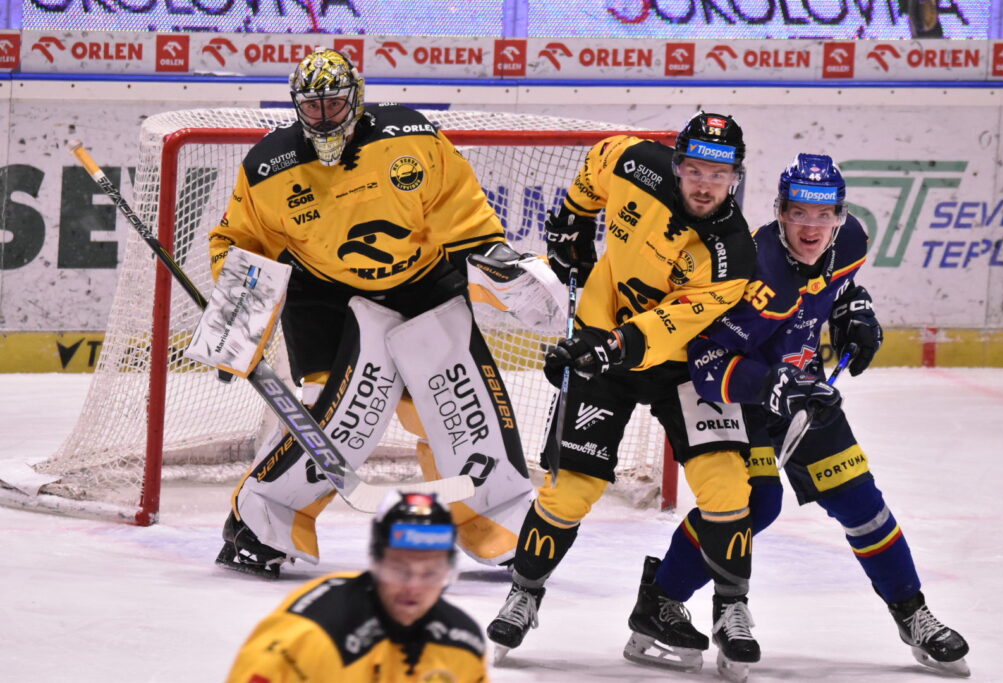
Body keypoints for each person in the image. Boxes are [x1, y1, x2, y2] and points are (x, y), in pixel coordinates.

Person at [210, 47, 545, 579]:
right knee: (335, 415)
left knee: (456, 405)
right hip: (325, 295)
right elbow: (243, 241)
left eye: (334, 104)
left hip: (422, 282)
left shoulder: (410, 137)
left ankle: (493, 517)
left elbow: (459, 206)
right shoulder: (269, 166)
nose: (324, 117)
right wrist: (236, 321)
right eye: (312, 106)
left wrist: (495, 258)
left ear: (357, 98)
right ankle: (260, 521)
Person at [663, 152, 969, 677]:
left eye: (824, 215)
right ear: (780, 212)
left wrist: (854, 308)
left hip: (803, 392)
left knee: (861, 502)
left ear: (840, 217)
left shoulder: (848, 244)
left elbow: (835, 287)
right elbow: (705, 362)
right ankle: (667, 600)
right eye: (799, 213)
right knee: (755, 505)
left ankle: (911, 613)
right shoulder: (753, 269)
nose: (812, 228)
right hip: (742, 400)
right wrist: (770, 385)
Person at [486, 111, 762, 673]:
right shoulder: (636, 163)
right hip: (602, 339)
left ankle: (732, 608)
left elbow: (666, 327)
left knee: (728, 484)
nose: (705, 184)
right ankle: (523, 594)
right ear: (676, 164)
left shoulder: (733, 254)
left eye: (720, 174)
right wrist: (574, 214)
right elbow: (600, 158)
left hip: (687, 365)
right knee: (570, 490)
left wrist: (597, 350)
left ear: (736, 177)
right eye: (695, 169)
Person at [226, 491, 489, 682]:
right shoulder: (309, 635)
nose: (414, 588)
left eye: (430, 574)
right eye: (400, 570)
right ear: (376, 562)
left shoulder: (462, 643)